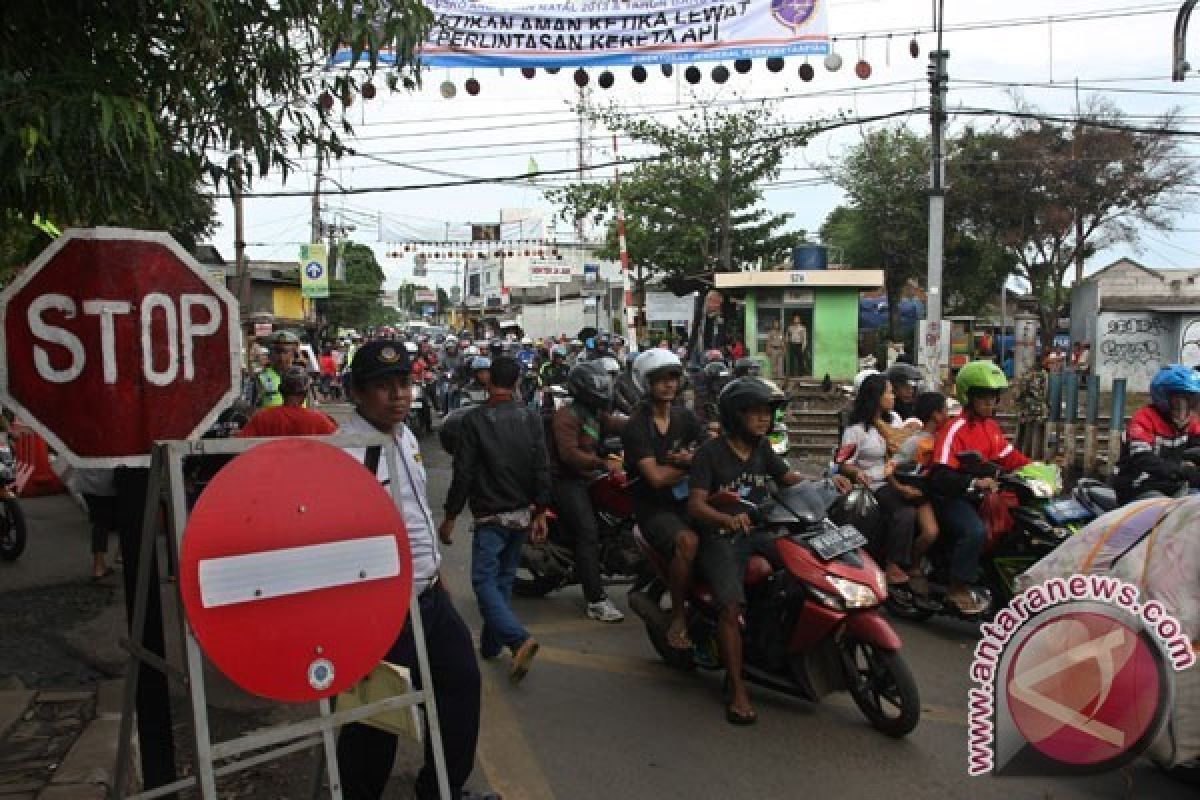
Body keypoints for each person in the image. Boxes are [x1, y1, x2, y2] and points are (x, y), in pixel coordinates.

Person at [336, 341, 490, 800]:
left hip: (428, 597)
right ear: (359, 393)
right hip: (379, 609)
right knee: (377, 718)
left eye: (404, 383)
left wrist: (435, 573)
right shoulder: (346, 453)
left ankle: (442, 788)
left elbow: (417, 513)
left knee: (461, 685)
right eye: (384, 387)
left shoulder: (404, 435)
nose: (398, 395)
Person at [688, 378, 838, 725]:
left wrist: (830, 483)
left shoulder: (762, 450)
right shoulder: (710, 453)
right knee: (730, 607)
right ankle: (737, 686)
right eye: (755, 413)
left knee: (803, 573)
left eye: (767, 413)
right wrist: (724, 520)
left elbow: (790, 480)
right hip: (721, 536)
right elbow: (696, 505)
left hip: (759, 530)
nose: (763, 420)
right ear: (735, 415)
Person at [441, 356, 550, 681]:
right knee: (501, 580)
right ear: (518, 383)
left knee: (484, 582)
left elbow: (464, 472)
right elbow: (541, 466)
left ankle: (517, 638)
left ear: (488, 381)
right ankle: (492, 645)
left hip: (491, 516)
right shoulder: (530, 417)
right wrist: (541, 510)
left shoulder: (474, 420)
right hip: (522, 514)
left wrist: (450, 516)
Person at [928, 360, 1031, 616]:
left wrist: (1042, 468)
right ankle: (957, 587)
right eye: (984, 398)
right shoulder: (954, 429)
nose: (990, 403)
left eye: (993, 398)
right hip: (951, 496)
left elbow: (1011, 458)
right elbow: (940, 475)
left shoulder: (992, 428)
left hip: (982, 496)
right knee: (975, 531)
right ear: (968, 397)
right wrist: (973, 483)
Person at [622, 350, 706, 649]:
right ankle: (680, 618)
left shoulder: (685, 417)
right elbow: (655, 478)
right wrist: (687, 466)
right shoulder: (636, 426)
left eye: (672, 378)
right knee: (688, 543)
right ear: (646, 383)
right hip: (654, 508)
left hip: (690, 502)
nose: (669, 385)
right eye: (660, 379)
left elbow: (709, 452)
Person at [549, 361, 627, 622]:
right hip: (566, 480)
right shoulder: (567, 416)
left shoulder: (594, 414)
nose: (602, 391)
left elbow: (620, 425)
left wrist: (654, 421)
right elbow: (569, 455)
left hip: (589, 476)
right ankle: (595, 600)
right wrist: (602, 463)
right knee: (588, 532)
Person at [837, 374, 919, 593]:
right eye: (889, 392)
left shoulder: (894, 420)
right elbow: (844, 463)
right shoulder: (856, 431)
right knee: (905, 513)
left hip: (898, 476)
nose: (893, 396)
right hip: (875, 484)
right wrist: (856, 472)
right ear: (876, 396)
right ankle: (892, 565)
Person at [1111, 364, 1200, 504]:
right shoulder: (1144, 419)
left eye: (1193, 402)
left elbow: (1197, 443)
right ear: (1164, 399)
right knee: (1165, 512)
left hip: (1169, 484)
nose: (1187, 409)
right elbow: (1143, 457)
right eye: (1182, 402)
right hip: (1136, 486)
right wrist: (1182, 471)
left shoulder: (1189, 422)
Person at [891, 391, 949, 599]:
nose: (948, 415)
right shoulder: (916, 442)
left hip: (942, 493)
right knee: (931, 532)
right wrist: (901, 488)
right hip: (921, 494)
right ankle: (913, 566)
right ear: (935, 415)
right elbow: (892, 466)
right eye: (945, 411)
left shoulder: (946, 438)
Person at [238, 367, 337, 437]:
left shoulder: (261, 418)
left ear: (280, 390)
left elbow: (241, 445)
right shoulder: (320, 420)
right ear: (306, 393)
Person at [1014, 355, 1051, 457]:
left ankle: (1021, 456)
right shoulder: (1043, 375)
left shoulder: (1026, 374)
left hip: (1025, 409)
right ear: (1042, 362)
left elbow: (1018, 393)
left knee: (1022, 435)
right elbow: (1046, 393)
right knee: (1037, 435)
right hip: (1038, 410)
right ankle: (1034, 457)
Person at [250, 331, 297, 409]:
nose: (281, 357)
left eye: (285, 352)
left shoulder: (302, 378)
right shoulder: (260, 378)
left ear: (293, 354)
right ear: (270, 354)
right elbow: (251, 409)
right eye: (277, 352)